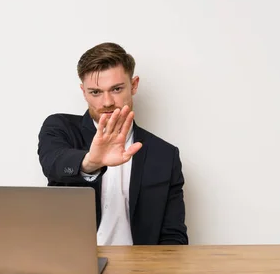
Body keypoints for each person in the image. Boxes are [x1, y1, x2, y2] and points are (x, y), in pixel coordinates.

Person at [37, 42, 188, 245]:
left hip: (139, 271)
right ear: (83, 92)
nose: (107, 102)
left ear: (134, 85)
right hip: (74, 268)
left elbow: (173, 237)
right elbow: (52, 164)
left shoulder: (164, 155)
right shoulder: (61, 128)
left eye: (116, 89)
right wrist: (90, 163)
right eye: (95, 92)